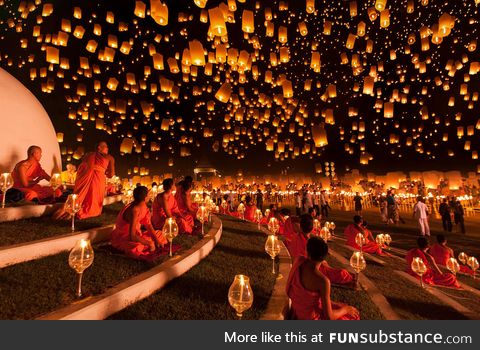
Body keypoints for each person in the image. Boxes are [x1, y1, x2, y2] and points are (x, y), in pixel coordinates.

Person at [286, 236, 360, 320]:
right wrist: (346, 310)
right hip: (311, 318)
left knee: (340, 306)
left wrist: (335, 304)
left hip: (297, 310)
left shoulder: (298, 260)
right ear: (324, 257)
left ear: (307, 252)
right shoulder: (323, 281)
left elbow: (289, 289)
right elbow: (329, 317)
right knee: (352, 316)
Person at [286, 215, 354, 286]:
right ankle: (350, 279)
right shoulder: (310, 243)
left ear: (300, 227)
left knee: (336, 270)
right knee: (342, 273)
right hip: (310, 269)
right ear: (312, 228)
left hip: (299, 266)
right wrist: (324, 263)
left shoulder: (295, 237)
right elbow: (313, 260)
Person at [111, 186, 167, 261]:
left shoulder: (143, 206)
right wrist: (149, 243)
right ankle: (146, 246)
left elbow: (148, 224)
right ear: (145, 198)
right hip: (124, 238)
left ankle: (148, 245)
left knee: (159, 234)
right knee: (136, 247)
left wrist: (156, 240)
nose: (149, 196)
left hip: (137, 235)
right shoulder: (134, 210)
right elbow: (132, 236)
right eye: (148, 194)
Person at [73, 142, 115, 219]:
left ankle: (78, 209)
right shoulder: (109, 157)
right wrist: (103, 171)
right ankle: (91, 212)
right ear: (99, 147)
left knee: (87, 195)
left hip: (88, 177)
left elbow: (82, 168)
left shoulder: (87, 155)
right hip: (98, 179)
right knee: (94, 196)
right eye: (106, 146)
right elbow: (111, 175)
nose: (107, 148)